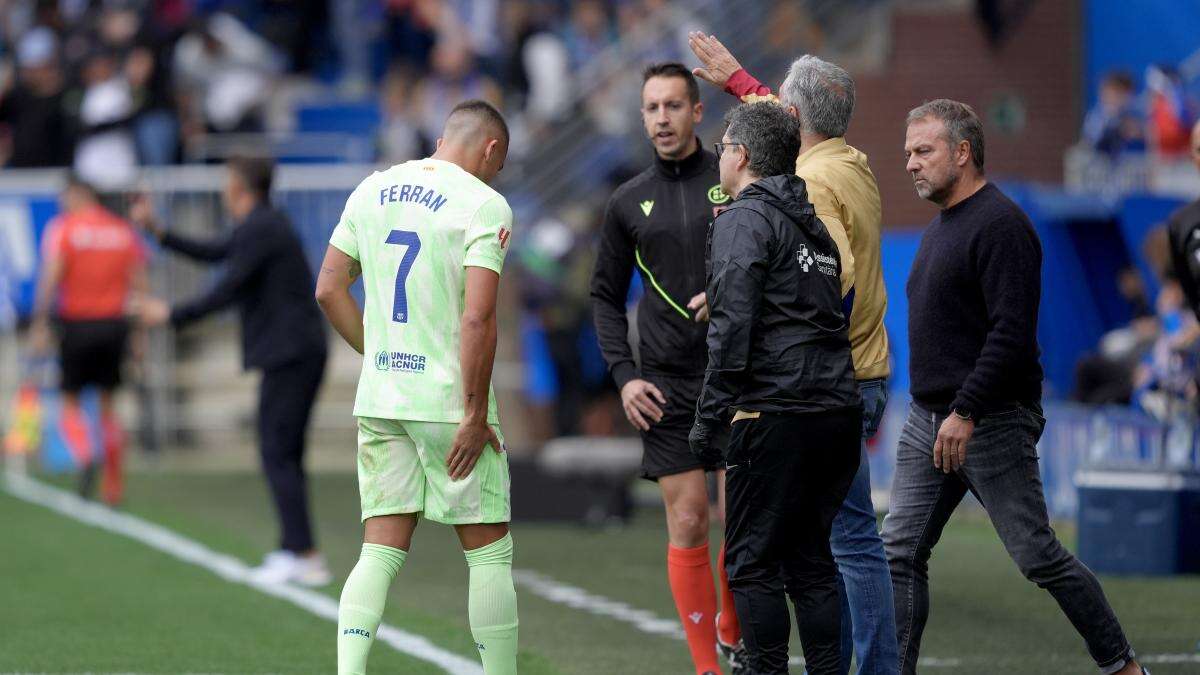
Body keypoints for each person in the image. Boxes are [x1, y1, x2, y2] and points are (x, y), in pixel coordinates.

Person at [885, 98, 1147, 675]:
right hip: (926, 421)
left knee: (1037, 556)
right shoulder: (940, 227)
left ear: (962, 152)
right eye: (908, 152)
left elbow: (1010, 334)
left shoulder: (1002, 225)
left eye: (923, 151)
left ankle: (1123, 665)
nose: (910, 163)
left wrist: (966, 410)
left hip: (988, 420)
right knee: (898, 552)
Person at [688, 34, 896, 675]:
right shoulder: (849, 162)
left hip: (802, 388)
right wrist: (743, 83)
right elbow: (790, 133)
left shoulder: (794, 193)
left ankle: (867, 669)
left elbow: (829, 280)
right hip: (842, 387)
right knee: (819, 552)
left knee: (801, 552)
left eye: (726, 147)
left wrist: (742, 286)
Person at [315, 100, 518, 675]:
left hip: (383, 397)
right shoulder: (484, 203)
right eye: (497, 165)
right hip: (449, 404)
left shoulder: (371, 189)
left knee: (378, 550)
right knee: (489, 553)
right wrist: (476, 413)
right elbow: (479, 318)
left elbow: (329, 288)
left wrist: (376, 353)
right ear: (491, 149)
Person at [589, 62, 744, 675]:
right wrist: (624, 376)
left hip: (738, 374)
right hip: (666, 382)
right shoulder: (626, 201)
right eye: (652, 108)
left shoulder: (735, 180)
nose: (662, 118)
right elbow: (603, 296)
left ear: (697, 112)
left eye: (674, 106)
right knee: (687, 517)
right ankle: (707, 666)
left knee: (743, 518)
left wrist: (732, 296)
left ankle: (734, 626)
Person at [131, 156, 330, 586]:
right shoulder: (260, 225)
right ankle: (295, 547)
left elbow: (226, 287)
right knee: (282, 452)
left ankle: (305, 554)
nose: (222, 188)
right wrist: (159, 231)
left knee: (278, 451)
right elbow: (216, 252)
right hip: (294, 352)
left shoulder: (263, 228)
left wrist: (170, 313)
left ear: (240, 186)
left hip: (291, 354)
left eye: (226, 181)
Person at [30, 175, 146, 505]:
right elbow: (139, 282)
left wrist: (40, 323)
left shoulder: (64, 228)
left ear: (80, 194)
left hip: (77, 324)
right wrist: (138, 333)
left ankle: (84, 455)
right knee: (109, 406)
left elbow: (52, 275)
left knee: (70, 401)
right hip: (114, 325)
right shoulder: (121, 230)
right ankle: (113, 485)